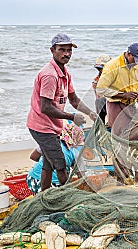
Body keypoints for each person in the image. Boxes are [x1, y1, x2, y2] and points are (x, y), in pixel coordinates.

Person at [27, 33, 97, 192]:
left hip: (52, 125)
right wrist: (72, 117)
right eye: (62, 50)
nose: (67, 54)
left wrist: (90, 113)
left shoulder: (65, 73)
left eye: (69, 50)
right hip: (41, 126)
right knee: (60, 164)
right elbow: (45, 107)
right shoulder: (50, 75)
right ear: (52, 50)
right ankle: (69, 196)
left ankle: (43, 195)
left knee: (47, 163)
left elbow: (73, 99)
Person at [96, 43, 138, 183]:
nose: (137, 63)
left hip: (132, 105)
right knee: (119, 141)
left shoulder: (136, 68)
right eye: (135, 59)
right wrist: (122, 95)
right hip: (116, 104)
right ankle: (122, 177)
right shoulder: (112, 66)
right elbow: (101, 89)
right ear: (128, 54)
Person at [26, 123, 84, 194]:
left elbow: (33, 157)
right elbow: (81, 175)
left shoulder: (49, 142)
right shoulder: (76, 153)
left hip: (32, 179)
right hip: (53, 184)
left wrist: (46, 160)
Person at [92, 54, 112, 124]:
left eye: (102, 68)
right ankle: (101, 124)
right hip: (106, 103)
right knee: (99, 102)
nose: (100, 70)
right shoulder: (96, 81)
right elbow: (99, 97)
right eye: (99, 69)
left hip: (117, 103)